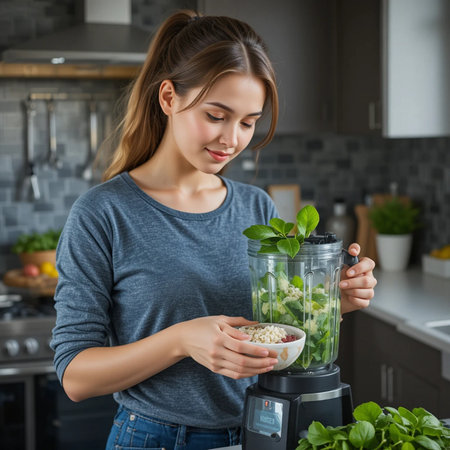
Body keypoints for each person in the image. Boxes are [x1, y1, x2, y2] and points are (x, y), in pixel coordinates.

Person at [51, 10, 377, 450]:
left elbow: (271, 333)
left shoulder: (256, 207)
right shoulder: (103, 213)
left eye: (247, 122)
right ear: (168, 97)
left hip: (261, 431)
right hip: (153, 438)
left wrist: (328, 304)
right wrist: (181, 340)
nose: (232, 139)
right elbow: (74, 375)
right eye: (216, 115)